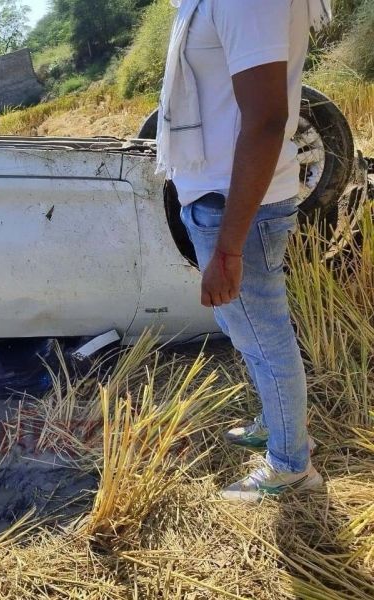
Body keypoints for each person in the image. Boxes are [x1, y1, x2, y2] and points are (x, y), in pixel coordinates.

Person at [157, 0, 333, 501]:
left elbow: (267, 119)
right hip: (216, 195)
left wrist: (229, 249)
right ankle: (279, 424)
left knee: (264, 336)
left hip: (237, 203)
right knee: (245, 328)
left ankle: (291, 463)